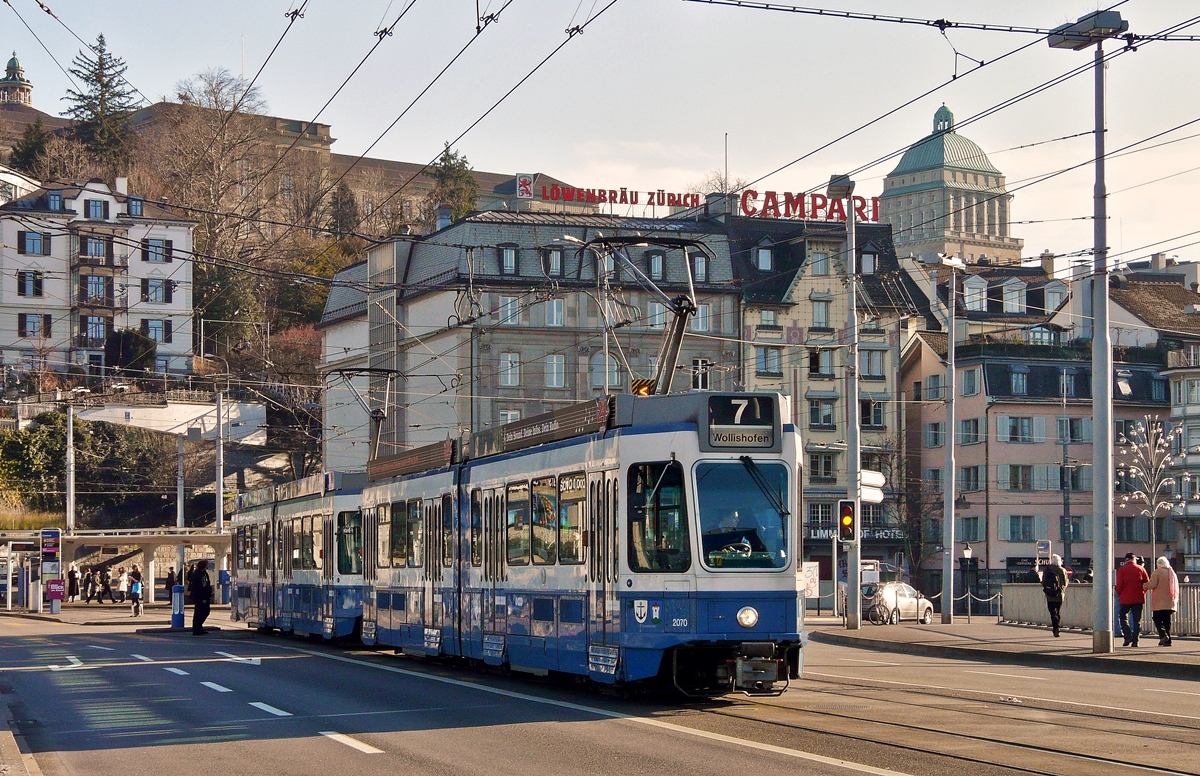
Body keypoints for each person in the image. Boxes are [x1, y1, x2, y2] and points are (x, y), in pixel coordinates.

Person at [1115, 552, 1150, 647]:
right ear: (1134, 559)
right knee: (1137, 620)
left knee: (1123, 617)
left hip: (1125, 598)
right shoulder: (1141, 569)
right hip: (1138, 598)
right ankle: (1135, 641)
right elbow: (1147, 583)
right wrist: (1143, 592)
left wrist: (1120, 595)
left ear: (1126, 560)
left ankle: (1127, 636)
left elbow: (1119, 585)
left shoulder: (1122, 570)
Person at [1144, 556, 1179, 647]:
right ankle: (1168, 640)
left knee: (1157, 618)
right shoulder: (1172, 573)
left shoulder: (1157, 572)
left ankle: (1163, 635)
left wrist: (1143, 585)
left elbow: (1152, 585)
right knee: (1167, 621)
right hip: (1170, 601)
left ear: (1159, 564)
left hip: (1159, 601)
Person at [1040, 555, 1069, 637]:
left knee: (1052, 612)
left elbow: (1043, 581)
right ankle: (1057, 627)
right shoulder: (1063, 570)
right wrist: (1061, 589)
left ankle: (1055, 628)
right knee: (1058, 611)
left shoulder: (1047, 570)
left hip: (1049, 594)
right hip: (1059, 594)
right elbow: (1065, 583)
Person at [190, 559, 213, 635]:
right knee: (203, 611)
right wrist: (206, 595)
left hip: (199, 596)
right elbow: (203, 586)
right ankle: (197, 628)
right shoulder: (201, 574)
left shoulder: (199, 573)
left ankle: (198, 628)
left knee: (199, 612)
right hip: (201, 596)